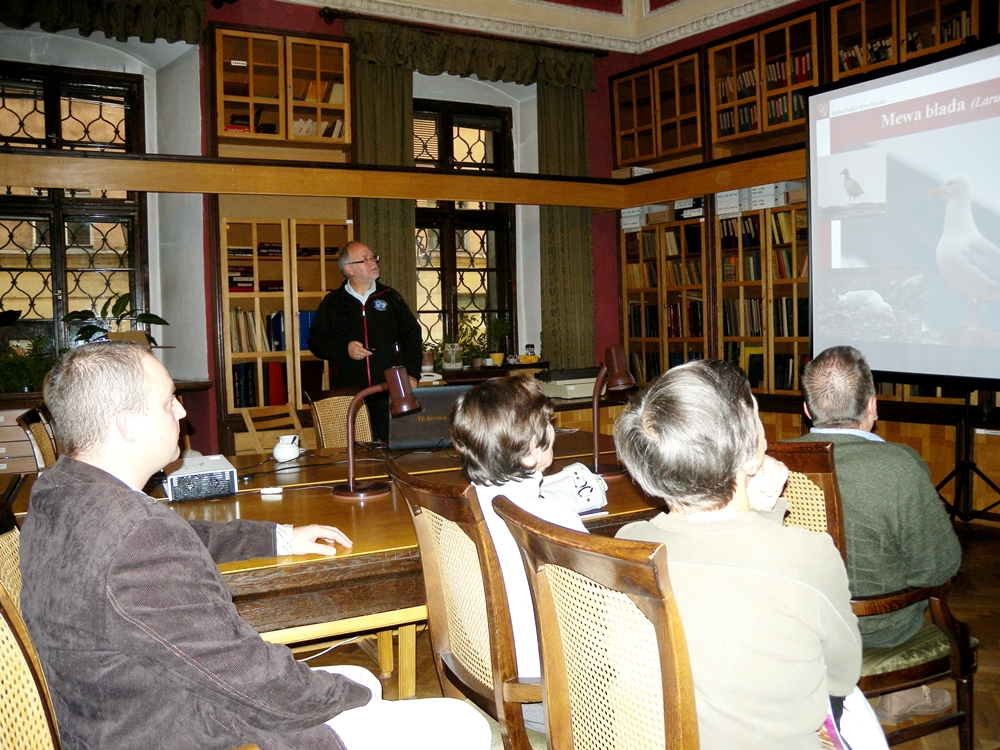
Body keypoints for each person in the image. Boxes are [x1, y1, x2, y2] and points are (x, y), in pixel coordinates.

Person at [19, 341, 489, 750]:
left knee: (362, 678)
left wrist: (278, 536)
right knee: (460, 725)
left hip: (111, 709)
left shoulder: (63, 490)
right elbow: (248, 677)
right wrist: (349, 699)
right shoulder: (135, 537)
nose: (183, 412)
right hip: (170, 728)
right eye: (168, 402)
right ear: (128, 425)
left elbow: (180, 536)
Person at [614, 360, 862, 750]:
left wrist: (762, 509)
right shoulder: (807, 554)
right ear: (750, 455)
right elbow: (843, 674)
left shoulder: (628, 544)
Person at [792, 345, 962, 723]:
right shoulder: (900, 466)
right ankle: (900, 694)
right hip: (879, 627)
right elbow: (940, 564)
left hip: (799, 620)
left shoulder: (775, 462)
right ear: (872, 405)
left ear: (807, 410)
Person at [450, 376, 588, 732]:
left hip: (480, 670)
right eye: (548, 426)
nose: (553, 432)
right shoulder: (555, 524)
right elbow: (603, 623)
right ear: (530, 451)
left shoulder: (461, 506)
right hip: (547, 697)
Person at [308, 241, 422, 440]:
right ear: (348, 269)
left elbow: (412, 335)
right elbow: (316, 342)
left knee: (394, 449)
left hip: (389, 392)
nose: (373, 262)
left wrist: (412, 374)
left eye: (373, 257)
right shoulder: (333, 302)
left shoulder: (390, 297)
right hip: (350, 395)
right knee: (356, 454)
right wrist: (345, 349)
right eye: (365, 259)